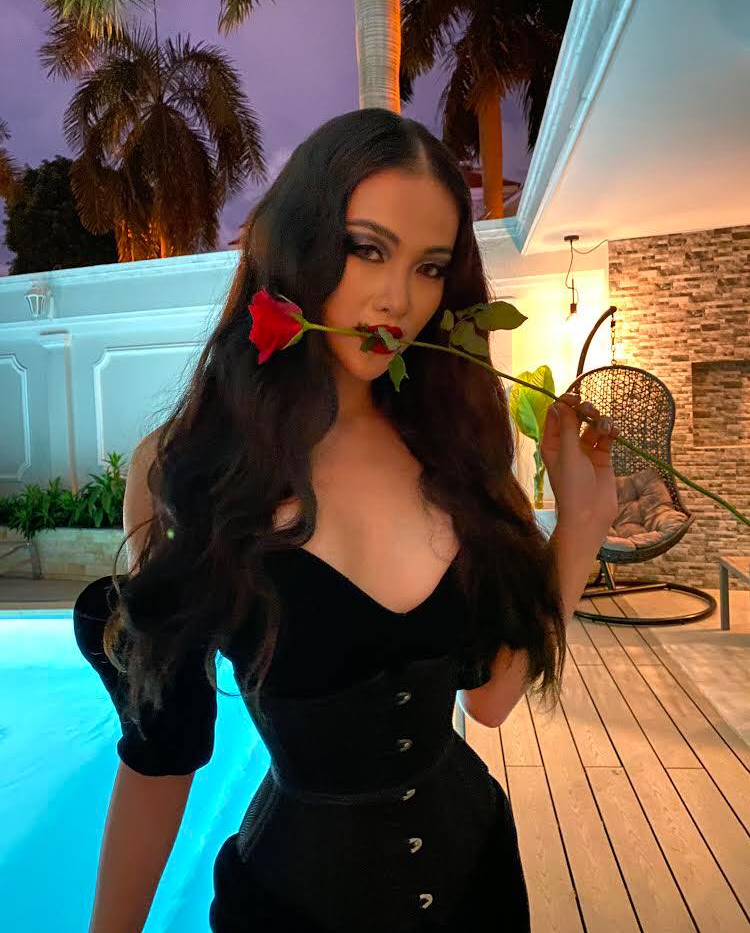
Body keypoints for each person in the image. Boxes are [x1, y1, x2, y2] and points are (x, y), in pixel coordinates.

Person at [73, 108, 619, 932]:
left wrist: (582, 522)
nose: (398, 298)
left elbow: (491, 700)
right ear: (299, 243)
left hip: (480, 884)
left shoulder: (459, 448)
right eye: (367, 249)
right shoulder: (187, 470)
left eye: (430, 267)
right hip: (292, 908)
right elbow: (162, 756)